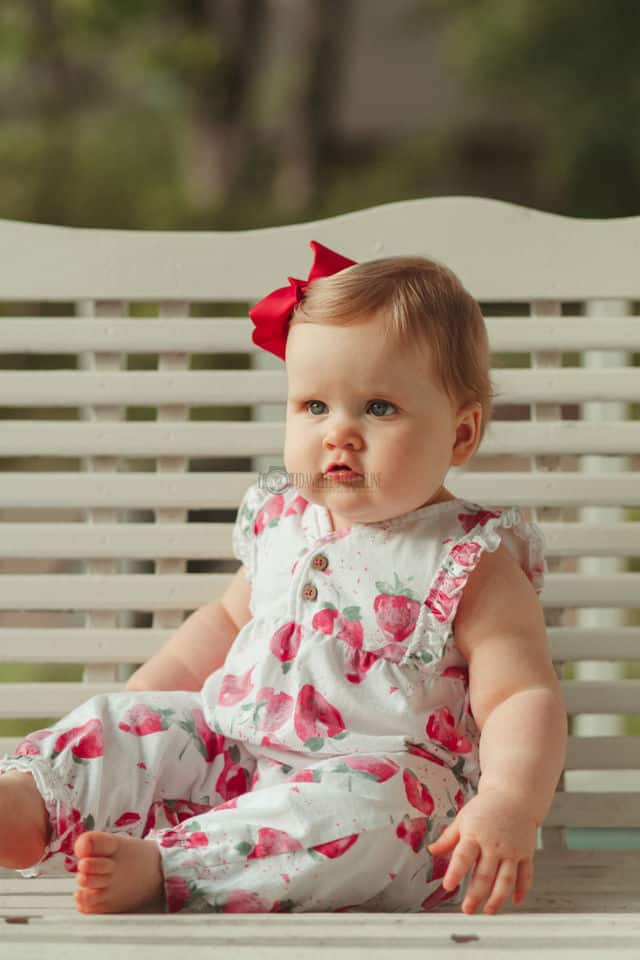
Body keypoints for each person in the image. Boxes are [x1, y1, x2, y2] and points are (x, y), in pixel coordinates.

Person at [0, 241, 567, 917]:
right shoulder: (284, 520)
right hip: (235, 754)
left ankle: (172, 868)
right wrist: (145, 710)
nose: (339, 435)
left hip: (381, 795)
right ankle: (36, 800)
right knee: (129, 724)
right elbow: (226, 623)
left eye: (378, 409)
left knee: (377, 806)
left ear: (461, 434)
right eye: (314, 407)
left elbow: (520, 696)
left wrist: (508, 802)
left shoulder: (470, 559)